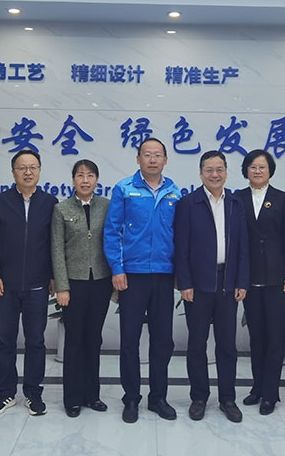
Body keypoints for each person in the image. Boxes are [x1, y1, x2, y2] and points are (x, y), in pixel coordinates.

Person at [103, 137, 182, 424]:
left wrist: (179, 272)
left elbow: (180, 236)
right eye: (147, 154)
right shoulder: (124, 189)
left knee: (163, 340)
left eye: (157, 155)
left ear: (165, 160)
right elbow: (112, 231)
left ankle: (158, 397)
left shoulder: (175, 192)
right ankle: (131, 398)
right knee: (129, 340)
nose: (152, 159)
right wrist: (117, 269)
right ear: (138, 159)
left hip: (163, 276)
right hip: (132, 276)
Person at [0, 150, 58, 417]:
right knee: (5, 341)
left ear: (39, 170)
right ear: (13, 171)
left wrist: (53, 276)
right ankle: (5, 393)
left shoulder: (50, 203)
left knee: (36, 341)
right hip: (5, 285)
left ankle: (33, 393)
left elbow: (54, 244)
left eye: (33, 167)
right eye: (22, 168)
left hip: (38, 286)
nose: (28, 172)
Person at [175, 150, 249, 423]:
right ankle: (199, 397)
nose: (214, 175)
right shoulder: (188, 203)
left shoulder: (236, 203)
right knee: (197, 344)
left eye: (219, 169)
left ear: (226, 173)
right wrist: (185, 283)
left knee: (227, 345)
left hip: (228, 283)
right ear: (200, 174)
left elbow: (243, 247)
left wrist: (241, 281)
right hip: (197, 285)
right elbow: (181, 247)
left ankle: (228, 398)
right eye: (209, 170)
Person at [236, 149, 285, 416]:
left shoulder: (282, 199)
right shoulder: (237, 198)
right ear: (246, 171)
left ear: (270, 171)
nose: (257, 171)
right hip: (249, 279)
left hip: (277, 279)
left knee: (275, 338)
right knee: (256, 337)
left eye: (262, 167)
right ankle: (257, 388)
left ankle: (270, 394)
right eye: (253, 167)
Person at [52, 160, 113, 418]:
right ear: (73, 180)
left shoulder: (106, 206)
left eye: (90, 175)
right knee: (74, 340)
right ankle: (73, 398)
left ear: (96, 179)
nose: (85, 180)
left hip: (100, 282)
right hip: (73, 284)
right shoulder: (61, 209)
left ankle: (92, 395)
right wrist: (62, 286)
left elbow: (113, 241)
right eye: (80, 175)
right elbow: (57, 250)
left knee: (94, 338)